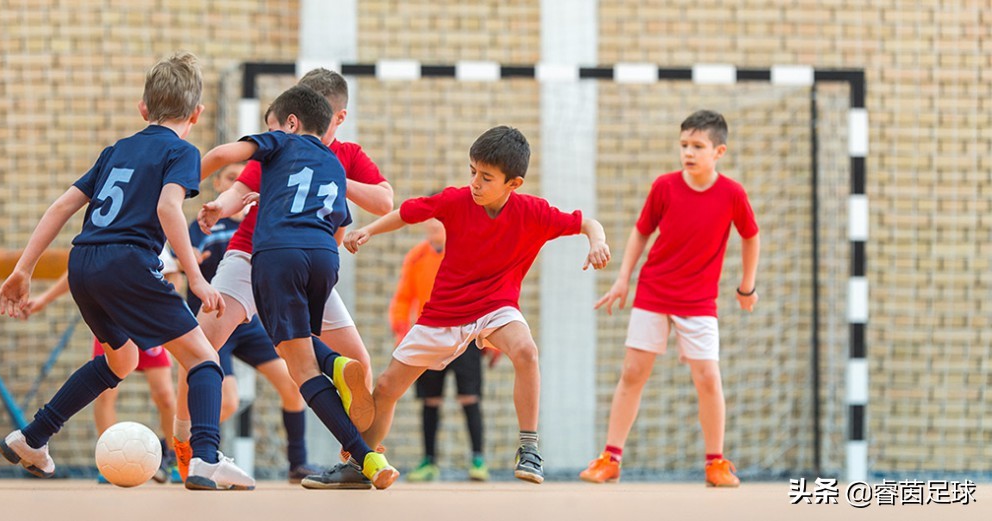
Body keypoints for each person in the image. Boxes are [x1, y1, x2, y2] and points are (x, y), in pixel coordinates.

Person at [0, 52, 254, 490]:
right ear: (197, 113)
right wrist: (195, 276)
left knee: (121, 359)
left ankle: (33, 437)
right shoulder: (182, 151)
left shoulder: (116, 150)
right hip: (128, 263)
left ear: (143, 108)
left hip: (84, 263)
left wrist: (24, 268)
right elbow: (168, 207)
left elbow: (62, 206)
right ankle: (206, 459)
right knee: (203, 358)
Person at [324, 125, 611, 487]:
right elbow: (407, 213)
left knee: (526, 351)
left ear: (514, 183)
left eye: (486, 177)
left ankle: (529, 448)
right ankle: (360, 463)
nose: (475, 183)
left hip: (495, 307)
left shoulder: (533, 212)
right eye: (472, 171)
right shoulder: (456, 201)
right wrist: (368, 230)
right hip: (444, 313)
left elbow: (587, 223)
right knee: (386, 387)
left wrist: (597, 242)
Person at [173, 68, 394, 484]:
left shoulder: (340, 154)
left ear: (337, 118)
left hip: (287, 259)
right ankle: (185, 438)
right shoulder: (279, 144)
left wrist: (332, 175)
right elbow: (240, 188)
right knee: (201, 345)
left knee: (358, 363)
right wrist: (221, 206)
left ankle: (355, 460)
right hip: (255, 255)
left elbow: (385, 200)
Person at [578, 110, 759, 487]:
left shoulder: (732, 194)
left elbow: (750, 236)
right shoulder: (664, 187)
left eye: (698, 146)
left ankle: (716, 463)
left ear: (719, 151)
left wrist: (747, 286)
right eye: (684, 145)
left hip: (699, 301)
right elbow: (641, 232)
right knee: (632, 373)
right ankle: (610, 458)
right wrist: (623, 280)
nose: (688, 152)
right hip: (654, 290)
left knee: (708, 377)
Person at [179, 161, 323, 483]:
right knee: (227, 401)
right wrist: (186, 265)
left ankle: (297, 463)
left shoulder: (263, 222)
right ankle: (181, 450)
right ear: (220, 185)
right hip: (216, 319)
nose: (238, 182)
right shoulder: (203, 226)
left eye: (241, 176)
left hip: (249, 323)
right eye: (231, 177)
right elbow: (180, 263)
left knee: (292, 383)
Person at [25, 247, 183, 484]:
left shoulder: (153, 238)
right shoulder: (103, 240)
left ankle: (175, 458)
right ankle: (109, 459)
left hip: (147, 321)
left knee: (166, 396)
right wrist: (45, 298)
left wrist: (162, 308)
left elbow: (174, 276)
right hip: (113, 322)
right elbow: (76, 271)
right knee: (106, 392)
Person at [389, 217, 495, 482]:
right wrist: (401, 330)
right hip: (429, 334)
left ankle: (478, 460)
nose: (434, 227)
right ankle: (429, 462)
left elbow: (490, 295)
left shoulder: (468, 254)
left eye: (440, 222)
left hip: (465, 334)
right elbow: (403, 297)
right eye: (430, 223)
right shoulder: (416, 257)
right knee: (430, 400)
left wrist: (492, 339)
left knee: (469, 397)